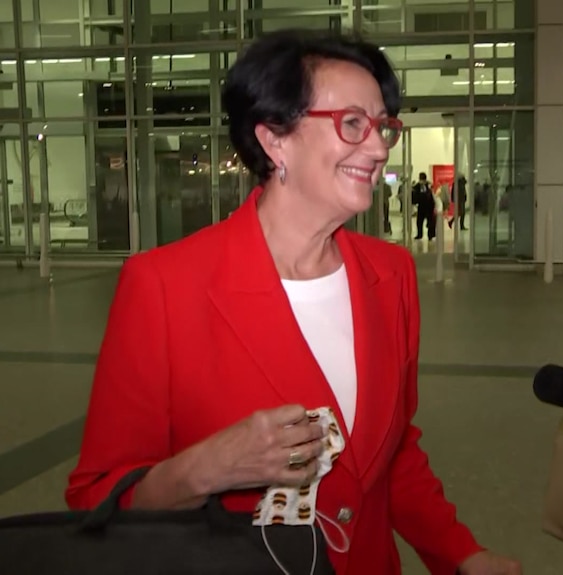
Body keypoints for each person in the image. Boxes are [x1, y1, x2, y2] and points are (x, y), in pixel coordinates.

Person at [65, 29, 520, 575]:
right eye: (353, 123)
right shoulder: (163, 286)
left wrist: (460, 552)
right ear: (275, 139)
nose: (377, 148)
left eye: (382, 127)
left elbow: (391, 452)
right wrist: (205, 469)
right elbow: (97, 497)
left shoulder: (391, 274)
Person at [412, 172, 435, 240]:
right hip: (421, 206)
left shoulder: (429, 185)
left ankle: (430, 235)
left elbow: (432, 194)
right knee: (419, 221)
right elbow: (414, 192)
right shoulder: (417, 186)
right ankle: (419, 234)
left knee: (430, 221)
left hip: (429, 206)